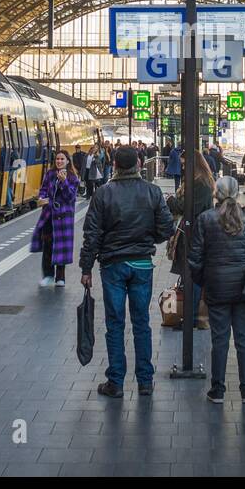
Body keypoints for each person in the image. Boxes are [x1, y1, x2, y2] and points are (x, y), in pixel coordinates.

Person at [80, 146, 174, 398]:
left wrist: (86, 268)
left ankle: (116, 383)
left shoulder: (102, 194)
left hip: (112, 266)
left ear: (115, 166)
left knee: (115, 324)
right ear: (140, 164)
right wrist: (147, 240)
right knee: (142, 323)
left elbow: (92, 235)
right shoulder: (153, 192)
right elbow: (167, 229)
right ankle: (145, 382)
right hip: (142, 264)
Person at [189, 175, 245, 404]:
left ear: (216, 193)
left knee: (219, 341)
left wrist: (205, 281)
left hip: (217, 289)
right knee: (244, 342)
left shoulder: (205, 219)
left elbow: (194, 259)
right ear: (237, 193)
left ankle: (217, 390)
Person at [167, 153, 215, 323]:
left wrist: (171, 201)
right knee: (190, 275)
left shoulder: (200, 184)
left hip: (195, 235)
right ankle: (191, 315)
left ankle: (193, 316)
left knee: (192, 275)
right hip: (193, 233)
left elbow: (187, 208)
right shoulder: (197, 181)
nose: (181, 167)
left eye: (184, 164)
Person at [32, 149, 79, 287]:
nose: (59, 161)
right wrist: (42, 198)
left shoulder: (72, 177)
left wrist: (64, 182)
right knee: (48, 246)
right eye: (57, 159)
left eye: (62, 159)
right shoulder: (49, 174)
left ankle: (60, 277)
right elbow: (43, 189)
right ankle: (47, 275)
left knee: (61, 248)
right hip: (49, 216)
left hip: (64, 218)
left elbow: (71, 197)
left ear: (67, 161)